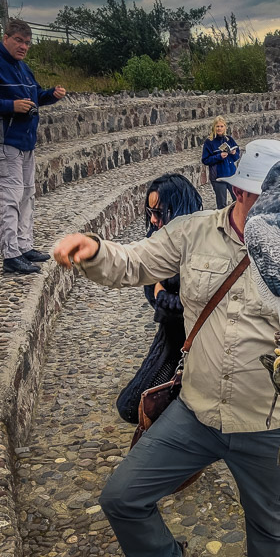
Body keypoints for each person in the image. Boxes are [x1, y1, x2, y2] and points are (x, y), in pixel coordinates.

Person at [53, 139, 280, 557]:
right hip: (196, 412)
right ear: (242, 192)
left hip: (270, 423)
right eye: (275, 197)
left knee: (272, 533)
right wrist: (96, 250)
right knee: (122, 498)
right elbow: (135, 261)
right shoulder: (194, 231)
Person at [0, 18, 66, 275]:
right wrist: (10, 107)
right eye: (19, 41)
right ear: (5, 38)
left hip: (25, 142)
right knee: (8, 198)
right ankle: (11, 256)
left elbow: (33, 99)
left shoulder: (23, 68)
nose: (23, 47)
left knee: (26, 195)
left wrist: (50, 96)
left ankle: (24, 246)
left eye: (28, 43)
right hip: (3, 142)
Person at [115, 174, 203, 424]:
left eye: (160, 212)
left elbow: (187, 306)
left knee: (135, 406)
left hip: (191, 343)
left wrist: (161, 293)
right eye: (150, 211)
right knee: (133, 405)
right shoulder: (157, 238)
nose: (153, 219)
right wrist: (160, 292)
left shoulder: (200, 244)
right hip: (170, 337)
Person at [201, 115, 239, 209]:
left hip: (231, 174)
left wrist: (234, 153)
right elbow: (205, 160)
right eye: (217, 126)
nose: (219, 128)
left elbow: (236, 157)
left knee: (238, 200)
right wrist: (219, 156)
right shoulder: (209, 142)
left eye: (221, 126)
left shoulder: (229, 140)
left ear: (225, 127)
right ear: (214, 127)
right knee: (222, 204)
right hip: (218, 176)